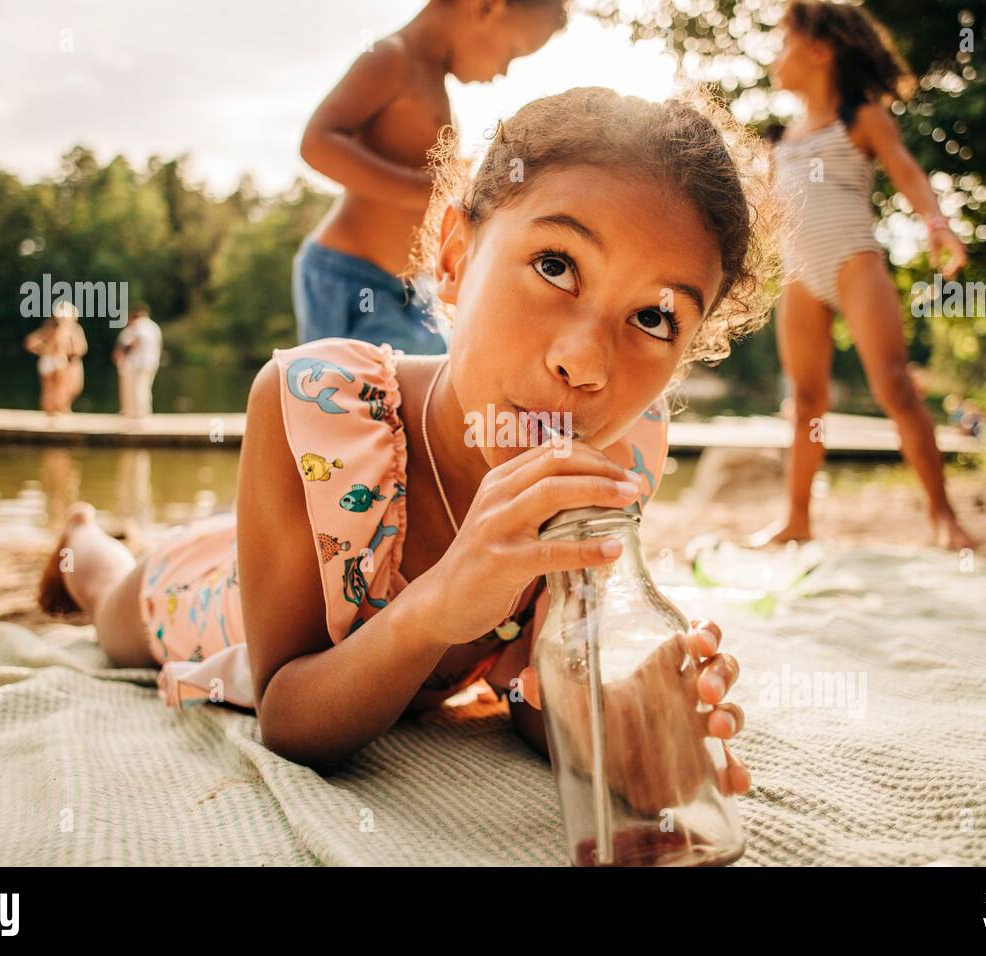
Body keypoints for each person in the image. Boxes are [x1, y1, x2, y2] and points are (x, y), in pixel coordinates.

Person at [38, 87, 776, 801]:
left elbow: (524, 680)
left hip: (298, 557)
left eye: (653, 318)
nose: (584, 363)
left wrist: (611, 736)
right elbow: (290, 716)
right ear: (454, 259)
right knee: (112, 601)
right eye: (556, 265)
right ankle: (83, 535)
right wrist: (441, 602)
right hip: (212, 595)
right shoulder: (313, 405)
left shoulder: (621, 449)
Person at [751, 0, 975, 551]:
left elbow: (906, 170)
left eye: (785, 41)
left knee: (894, 386)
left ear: (821, 50)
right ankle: (798, 519)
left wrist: (937, 223)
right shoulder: (780, 139)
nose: (777, 54)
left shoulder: (861, 118)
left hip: (854, 261)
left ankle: (943, 515)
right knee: (805, 401)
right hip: (801, 275)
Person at [293, 0, 568, 354]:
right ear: (484, 7)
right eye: (512, 53)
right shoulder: (391, 58)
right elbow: (318, 143)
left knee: (437, 382)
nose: (504, 71)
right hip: (351, 277)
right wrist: (421, 190)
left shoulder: (433, 84)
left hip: (410, 287)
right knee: (355, 394)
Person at [24, 299, 87, 415]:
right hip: (58, 360)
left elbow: (30, 342)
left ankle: (50, 413)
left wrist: (43, 350)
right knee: (58, 388)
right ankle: (57, 411)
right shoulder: (64, 329)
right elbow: (78, 348)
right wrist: (47, 350)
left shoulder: (50, 328)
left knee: (50, 389)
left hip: (49, 361)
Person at [113, 305, 162, 418]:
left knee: (137, 389)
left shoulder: (138, 325)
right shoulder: (155, 327)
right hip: (152, 362)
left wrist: (124, 354)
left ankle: (136, 413)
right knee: (145, 388)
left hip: (138, 362)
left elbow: (136, 341)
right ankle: (144, 412)